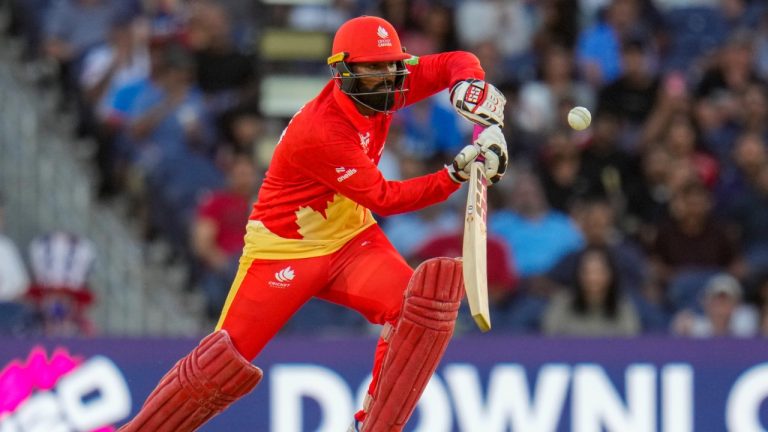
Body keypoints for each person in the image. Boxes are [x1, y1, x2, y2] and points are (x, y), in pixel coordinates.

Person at [118, 15, 508, 432]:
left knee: (423, 306)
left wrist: (469, 87)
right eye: (372, 68)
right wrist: (455, 175)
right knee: (221, 361)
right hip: (283, 250)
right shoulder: (323, 131)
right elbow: (385, 199)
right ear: (342, 71)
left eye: (390, 64)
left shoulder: (390, 81)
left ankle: (376, 428)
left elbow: (456, 60)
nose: (385, 76)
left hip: (351, 240)